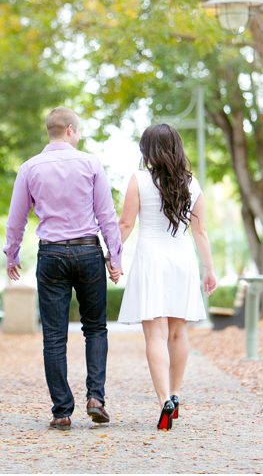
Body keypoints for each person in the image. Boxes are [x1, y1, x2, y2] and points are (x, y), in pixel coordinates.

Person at [4, 106, 123, 430]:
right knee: (95, 328)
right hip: (87, 252)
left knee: (54, 336)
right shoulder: (90, 163)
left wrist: (11, 255)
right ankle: (95, 398)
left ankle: (61, 411)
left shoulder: (30, 168)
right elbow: (106, 215)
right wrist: (115, 256)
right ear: (70, 130)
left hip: (52, 255)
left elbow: (16, 219)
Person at [116, 123, 217, 430]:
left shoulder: (139, 180)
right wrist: (209, 269)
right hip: (182, 259)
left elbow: (125, 225)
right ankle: (176, 392)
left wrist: (112, 256)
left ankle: (164, 401)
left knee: (156, 334)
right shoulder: (192, 184)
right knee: (178, 332)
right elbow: (200, 231)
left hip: (151, 258)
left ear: (147, 150)